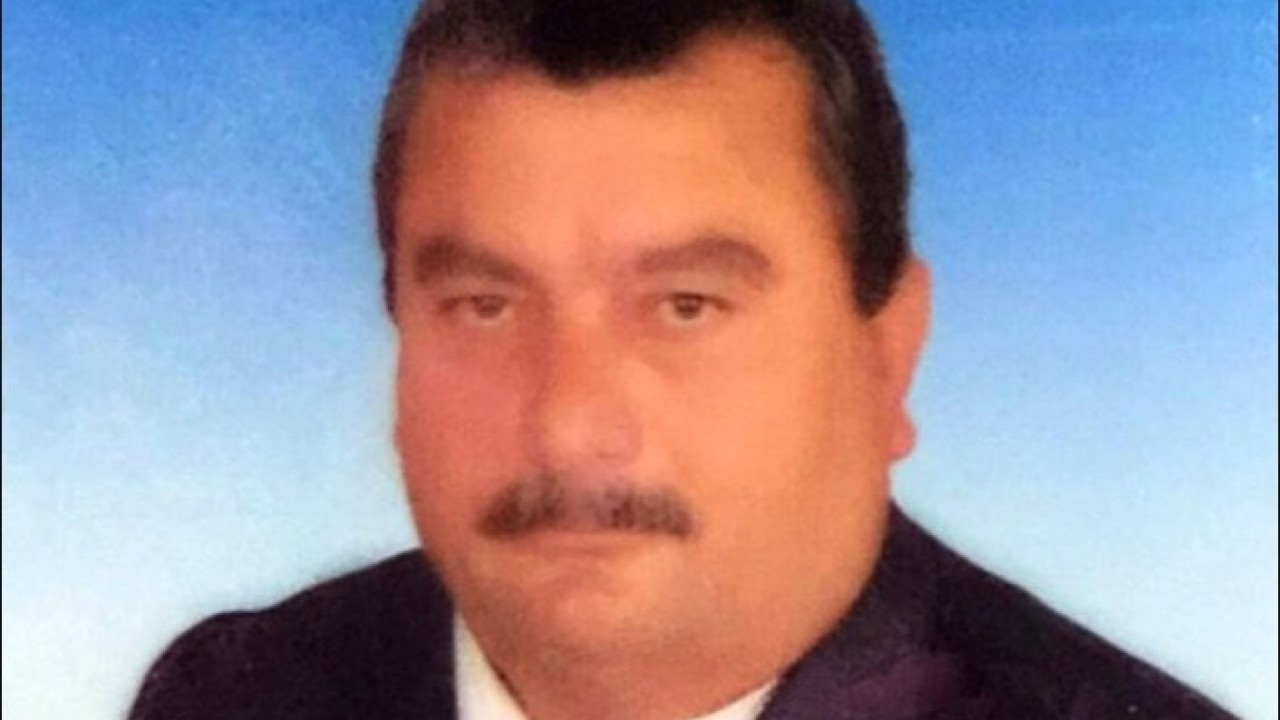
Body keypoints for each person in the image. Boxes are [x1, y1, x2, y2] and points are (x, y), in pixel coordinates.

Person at [127, 1, 1237, 718]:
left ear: (885, 356)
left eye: (685, 307)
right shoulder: (239, 696)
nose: (569, 424)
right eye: (484, 306)